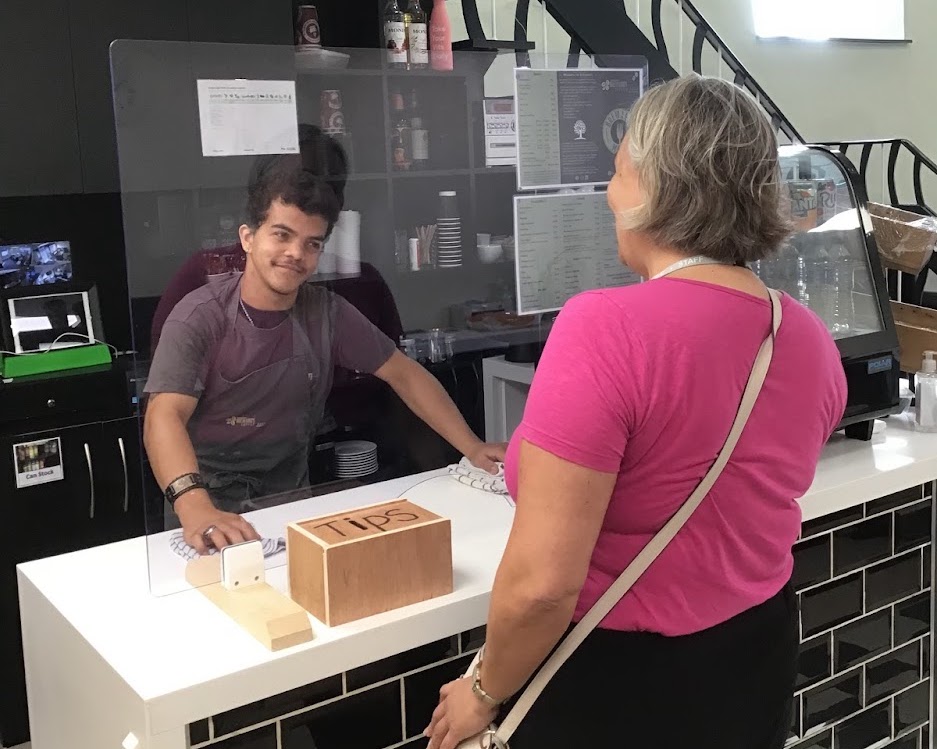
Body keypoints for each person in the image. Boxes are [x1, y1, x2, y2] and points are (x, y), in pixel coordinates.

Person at [426, 74, 847, 749]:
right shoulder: (804, 337)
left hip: (622, 688)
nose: (605, 194)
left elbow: (539, 588)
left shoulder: (604, 326)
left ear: (656, 187)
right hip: (754, 660)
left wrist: (482, 691)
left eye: (618, 172)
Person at [144, 138, 504, 555]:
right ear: (247, 237)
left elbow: (407, 376)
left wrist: (472, 447)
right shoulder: (200, 315)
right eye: (282, 234)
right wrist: (194, 507)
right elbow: (163, 415)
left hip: (289, 499)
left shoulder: (328, 313)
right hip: (204, 504)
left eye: (312, 243)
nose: (295, 253)